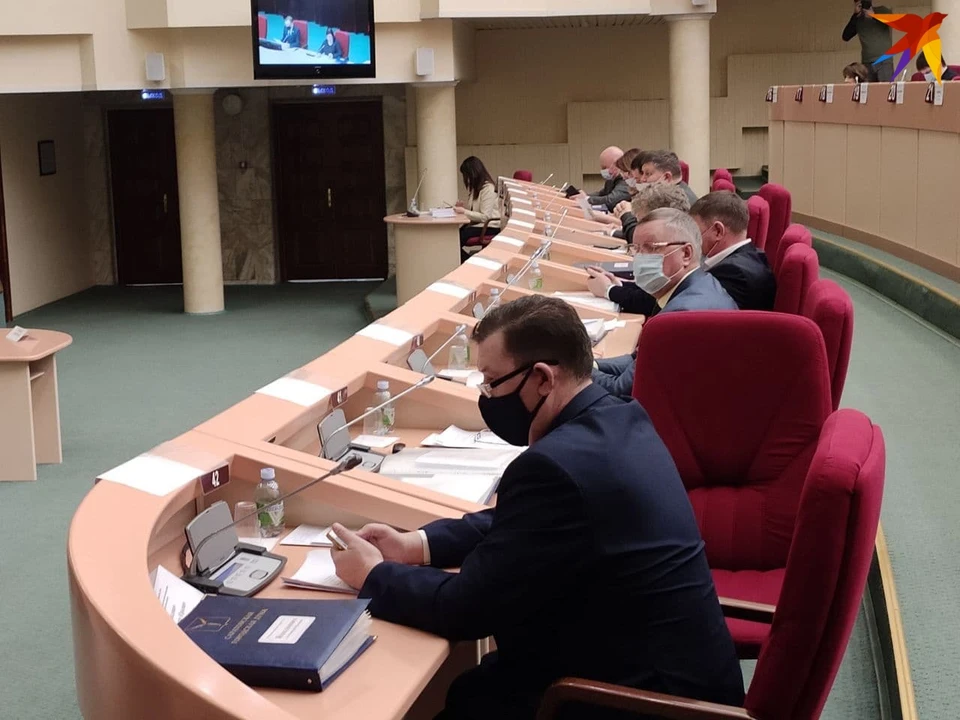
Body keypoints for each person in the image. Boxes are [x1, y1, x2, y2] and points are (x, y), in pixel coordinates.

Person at [330, 294, 745, 720]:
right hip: (673, 680)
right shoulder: (621, 417)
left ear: (543, 378)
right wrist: (417, 545)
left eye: (492, 382)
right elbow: (522, 522)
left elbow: (463, 609)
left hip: (641, 702)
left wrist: (372, 574)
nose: (488, 396)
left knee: (467, 698)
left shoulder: (554, 467)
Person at [592, 209, 738, 397]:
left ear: (686, 253)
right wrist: (591, 364)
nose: (639, 258)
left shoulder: (679, 315)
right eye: (636, 249)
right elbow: (637, 360)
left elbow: (621, 390)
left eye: (651, 247)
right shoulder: (702, 283)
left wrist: (572, 368)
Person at [691, 192, 777, 311]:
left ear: (718, 231)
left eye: (695, 232)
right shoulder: (754, 255)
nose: (691, 239)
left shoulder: (732, 273)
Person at [457, 156, 501, 262]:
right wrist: (463, 208)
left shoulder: (488, 189)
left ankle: (468, 262)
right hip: (478, 224)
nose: (466, 179)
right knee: (453, 236)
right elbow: (475, 211)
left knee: (457, 240)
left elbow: (485, 216)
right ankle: (468, 261)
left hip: (489, 226)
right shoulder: (476, 189)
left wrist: (464, 212)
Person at [842, 0, 893, 82]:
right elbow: (846, 36)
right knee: (867, 88)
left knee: (886, 88)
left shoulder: (881, 10)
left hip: (884, 60)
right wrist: (855, 15)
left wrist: (874, 16)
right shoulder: (857, 18)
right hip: (867, 62)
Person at [579, 146, 633, 211]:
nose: (603, 171)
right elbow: (601, 194)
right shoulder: (611, 180)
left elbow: (611, 201)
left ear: (616, 164)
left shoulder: (627, 180)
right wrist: (583, 196)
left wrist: (586, 199)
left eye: (604, 167)